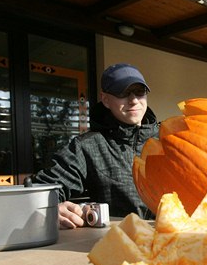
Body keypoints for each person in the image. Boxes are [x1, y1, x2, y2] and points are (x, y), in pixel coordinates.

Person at [33, 63, 160, 228]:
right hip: (120, 243)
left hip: (179, 239)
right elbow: (42, 191)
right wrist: (51, 208)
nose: (134, 100)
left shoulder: (169, 139)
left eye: (139, 92)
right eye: (123, 93)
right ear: (106, 100)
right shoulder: (87, 146)